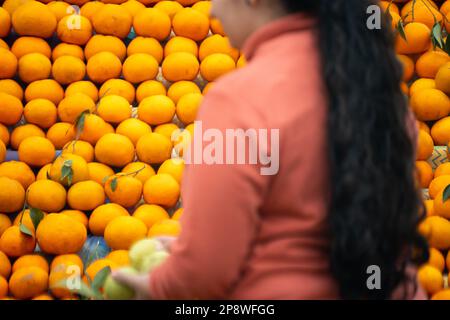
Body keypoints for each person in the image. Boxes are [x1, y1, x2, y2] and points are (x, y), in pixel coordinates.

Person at [113, 0, 429, 300]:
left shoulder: (238, 100)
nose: (212, 10)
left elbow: (205, 272)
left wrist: (161, 284)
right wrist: (190, 250)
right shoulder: (382, 94)